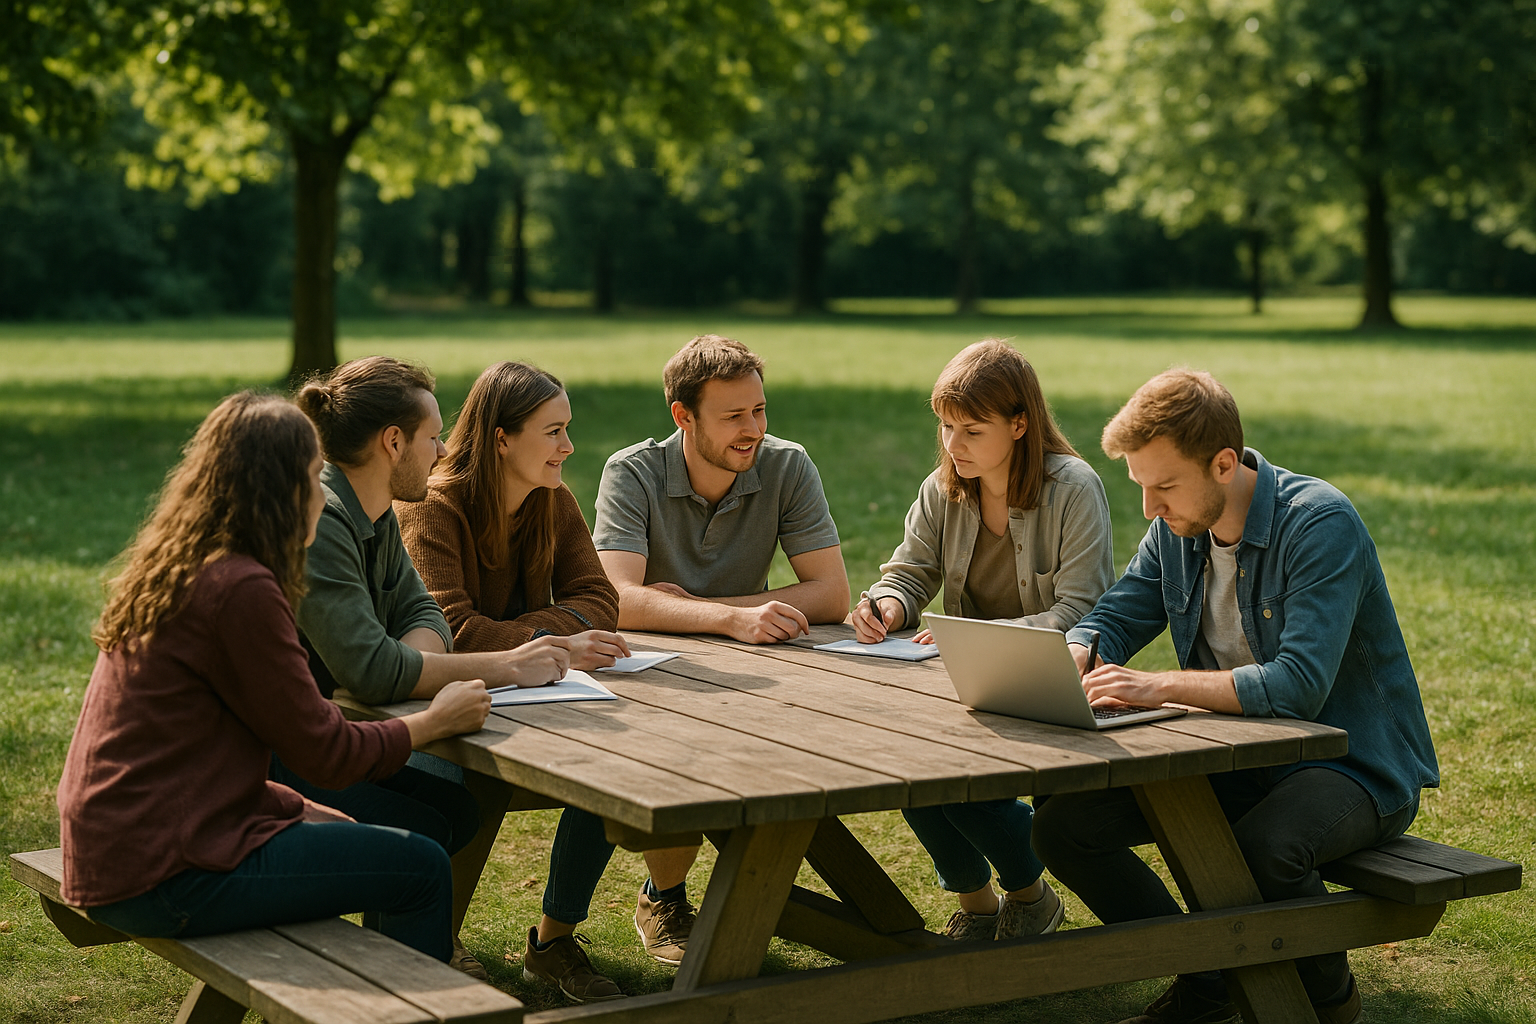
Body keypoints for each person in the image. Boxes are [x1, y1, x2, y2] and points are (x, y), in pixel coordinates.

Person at [1031, 369, 1439, 1024]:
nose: (1149, 508)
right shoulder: (1177, 527)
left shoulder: (1319, 524)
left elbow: (1299, 684)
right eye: (1141, 486)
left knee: (1264, 847)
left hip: (1351, 765)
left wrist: (1155, 685)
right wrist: (1082, 643)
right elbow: (1119, 613)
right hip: (1238, 756)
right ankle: (1210, 982)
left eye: (1163, 486)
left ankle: (1330, 1006)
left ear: (1224, 464)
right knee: (1063, 827)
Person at [57, 392, 491, 962]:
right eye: (313, 477)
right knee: (423, 866)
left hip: (123, 845)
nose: (321, 493)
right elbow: (325, 753)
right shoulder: (241, 590)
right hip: (163, 872)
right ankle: (397, 1002)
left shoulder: (187, 564)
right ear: (279, 489)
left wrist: (298, 810)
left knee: (403, 831)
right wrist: (434, 722)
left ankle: (374, 993)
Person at [290, 355, 572, 977]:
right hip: (274, 753)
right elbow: (368, 669)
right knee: (422, 829)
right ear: (394, 442)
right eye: (433, 437)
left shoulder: (375, 509)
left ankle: (403, 960)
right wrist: (503, 666)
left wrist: (413, 660)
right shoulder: (326, 519)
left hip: (325, 732)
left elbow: (422, 609)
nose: (443, 450)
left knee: (457, 810)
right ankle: (407, 974)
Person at [591, 333, 850, 966]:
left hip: (761, 665)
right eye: (733, 416)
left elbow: (833, 594)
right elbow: (617, 600)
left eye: (759, 410)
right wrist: (737, 615)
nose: (753, 429)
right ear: (682, 415)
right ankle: (666, 897)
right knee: (667, 754)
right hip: (655, 674)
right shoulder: (632, 472)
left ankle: (762, 898)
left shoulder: (787, 464)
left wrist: (709, 612)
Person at [851, 339, 1114, 942]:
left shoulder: (1073, 488)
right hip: (965, 681)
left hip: (1060, 682)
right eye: (945, 426)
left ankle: (1028, 897)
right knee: (909, 769)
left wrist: (973, 638)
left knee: (953, 785)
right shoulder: (944, 486)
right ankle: (978, 907)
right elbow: (910, 570)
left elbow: (1083, 609)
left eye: (971, 430)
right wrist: (886, 605)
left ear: (1020, 424)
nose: (953, 445)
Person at [398, 361, 631, 1002]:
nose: (568, 447)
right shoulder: (433, 507)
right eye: (553, 432)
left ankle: (552, 942)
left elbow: (600, 601)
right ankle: (431, 938)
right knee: (456, 784)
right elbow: (453, 631)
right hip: (442, 696)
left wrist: (539, 641)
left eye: (568, 430)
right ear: (502, 438)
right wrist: (551, 639)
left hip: (539, 692)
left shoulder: (552, 500)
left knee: (610, 764)